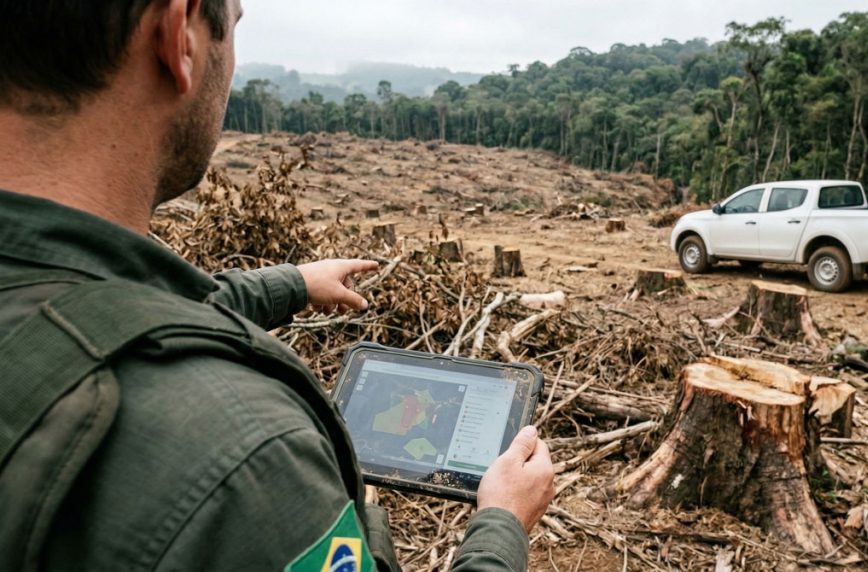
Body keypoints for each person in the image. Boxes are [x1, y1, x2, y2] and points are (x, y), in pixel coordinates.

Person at [0, 1, 554, 570]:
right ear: (179, 33)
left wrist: (290, 284)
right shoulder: (247, 459)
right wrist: (501, 525)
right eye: (235, 25)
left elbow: (95, 307)